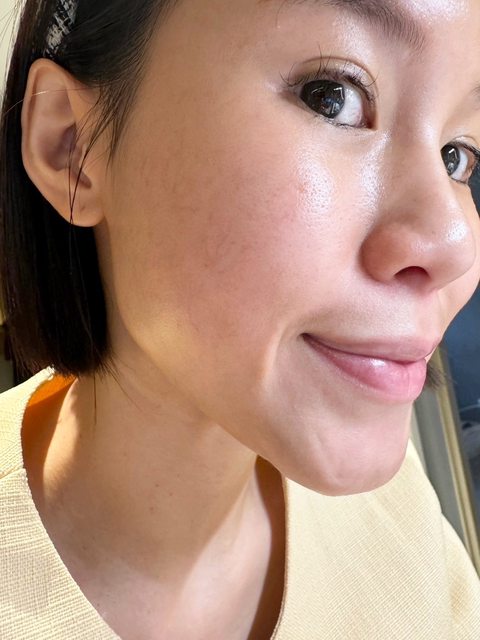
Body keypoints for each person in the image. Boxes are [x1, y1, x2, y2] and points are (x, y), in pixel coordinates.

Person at [1, 0, 480, 637]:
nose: (453, 244)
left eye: (457, 156)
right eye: (331, 97)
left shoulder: (400, 512)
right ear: (72, 146)